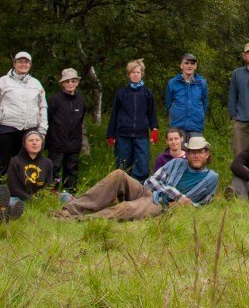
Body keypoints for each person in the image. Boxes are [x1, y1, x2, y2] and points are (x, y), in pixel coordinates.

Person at [56, 137, 218, 220]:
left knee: (125, 208)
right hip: (148, 192)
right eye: (192, 152)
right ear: (187, 154)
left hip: (161, 205)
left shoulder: (211, 178)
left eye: (200, 152)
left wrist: (186, 206)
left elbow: (203, 204)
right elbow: (151, 181)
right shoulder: (177, 163)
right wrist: (180, 197)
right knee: (118, 174)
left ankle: (79, 220)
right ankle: (69, 209)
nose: (196, 155)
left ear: (207, 154)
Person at [0, 51, 48, 176]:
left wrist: (43, 130)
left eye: (26, 62)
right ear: (14, 63)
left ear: (30, 64)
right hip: (6, 128)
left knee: (27, 163)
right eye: (20, 62)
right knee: (2, 163)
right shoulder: (3, 82)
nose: (23, 64)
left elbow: (43, 107)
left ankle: (24, 190)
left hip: (29, 130)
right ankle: (0, 189)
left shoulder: (36, 84)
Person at [106, 59, 159, 183]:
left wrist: (154, 129)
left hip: (141, 135)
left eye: (138, 72)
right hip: (123, 135)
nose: (135, 74)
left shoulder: (147, 93)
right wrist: (110, 134)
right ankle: (123, 190)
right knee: (123, 165)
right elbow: (114, 114)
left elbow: (152, 113)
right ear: (129, 74)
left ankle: (139, 190)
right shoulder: (122, 93)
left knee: (142, 164)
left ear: (142, 74)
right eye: (133, 72)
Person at [46, 68, 86, 192]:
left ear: (77, 82)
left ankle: (69, 192)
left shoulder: (81, 100)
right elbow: (48, 118)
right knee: (54, 167)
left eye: (73, 81)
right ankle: (51, 193)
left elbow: (81, 118)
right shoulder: (54, 99)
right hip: (57, 142)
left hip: (74, 142)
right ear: (62, 83)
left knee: (72, 168)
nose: (70, 84)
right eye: (67, 81)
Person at [165, 53, 209, 139]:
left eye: (192, 63)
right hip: (177, 127)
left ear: (195, 66)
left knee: (196, 152)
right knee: (179, 152)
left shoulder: (202, 83)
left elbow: (204, 104)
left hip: (196, 126)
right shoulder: (173, 83)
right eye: (186, 63)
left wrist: (199, 117)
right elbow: (168, 104)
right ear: (181, 65)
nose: (189, 66)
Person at [6, 130, 54, 203]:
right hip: (20, 198)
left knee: (65, 197)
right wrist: (30, 200)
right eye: (30, 140)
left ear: (42, 143)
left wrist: (39, 199)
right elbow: (14, 188)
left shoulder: (48, 163)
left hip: (41, 200)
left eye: (37, 140)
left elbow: (48, 186)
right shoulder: (15, 161)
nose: (34, 143)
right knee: (10, 202)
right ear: (24, 144)